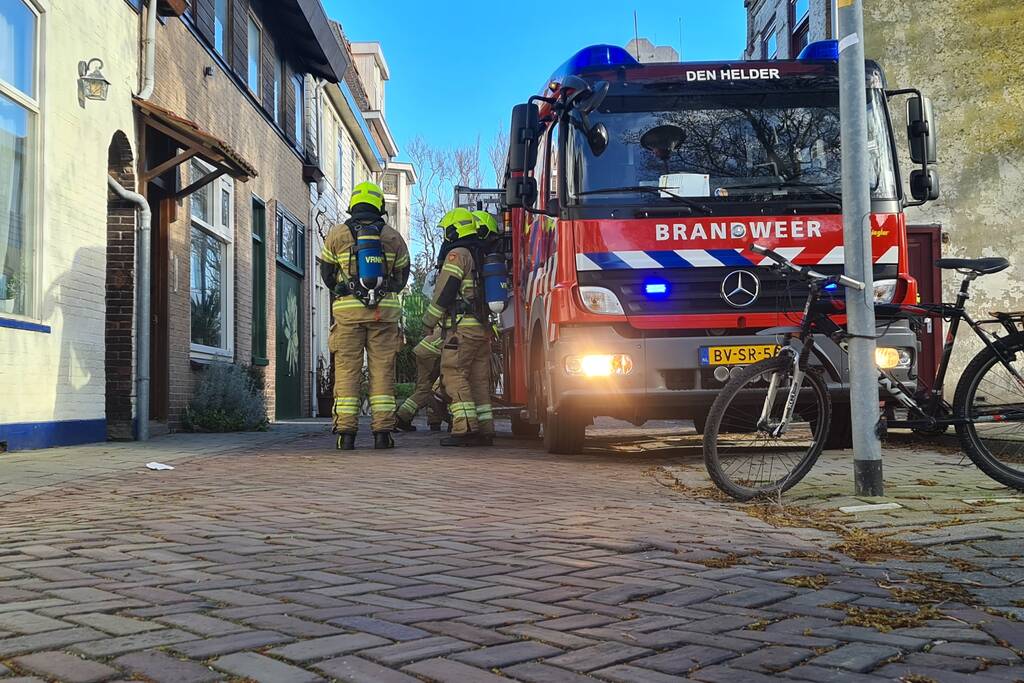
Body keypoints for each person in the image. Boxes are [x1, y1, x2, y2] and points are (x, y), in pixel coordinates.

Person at [320, 181, 410, 450]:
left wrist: (344, 287)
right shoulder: (393, 237)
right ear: (379, 206)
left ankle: (345, 435)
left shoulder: (336, 235)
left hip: (347, 316)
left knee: (347, 371)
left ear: (353, 205)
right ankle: (383, 434)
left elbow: (326, 275)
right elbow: (401, 279)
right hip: (383, 315)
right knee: (382, 371)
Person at [422, 207, 494, 446]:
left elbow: (445, 291)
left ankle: (465, 428)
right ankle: (485, 428)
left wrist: (429, 321)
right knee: (478, 381)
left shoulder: (458, 254)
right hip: (482, 329)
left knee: (454, 374)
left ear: (455, 230)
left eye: (447, 230)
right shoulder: (482, 254)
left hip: (461, 329)